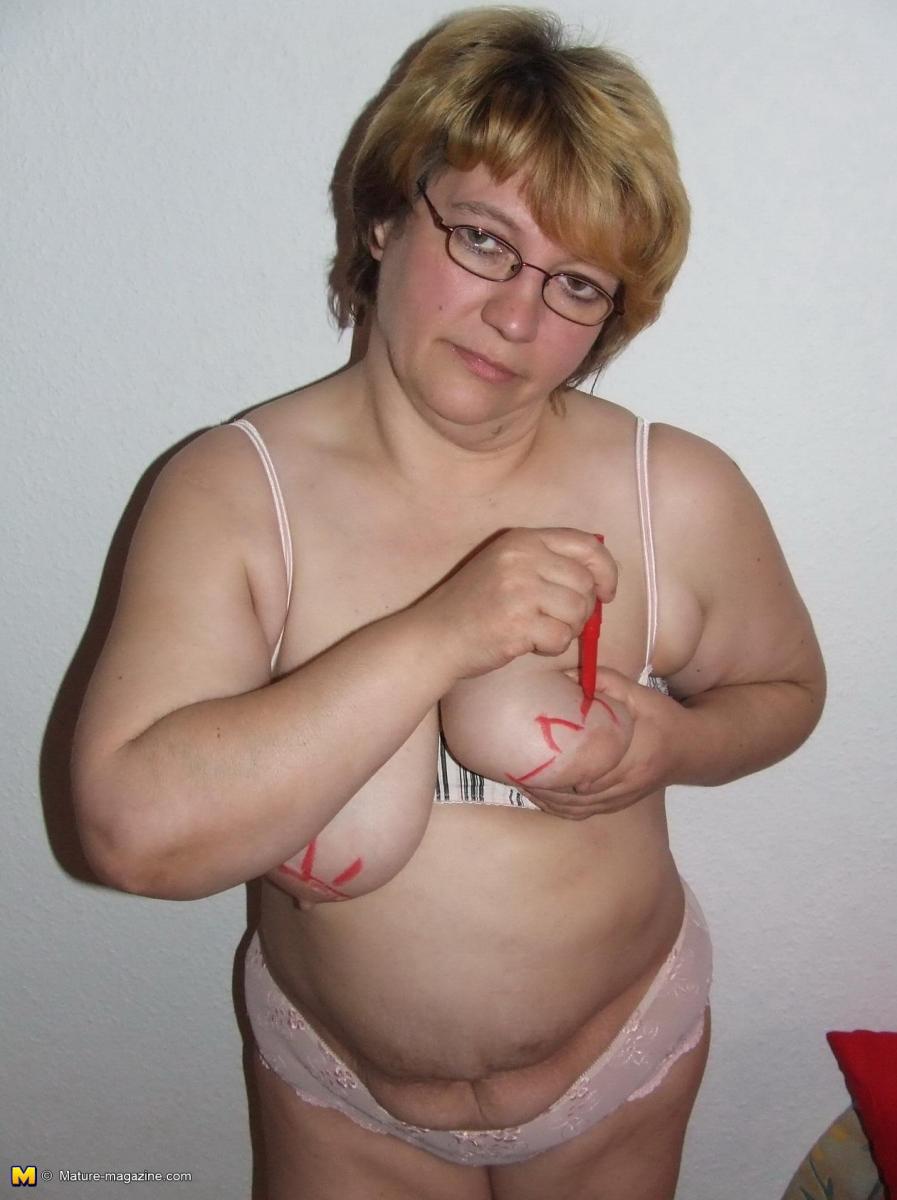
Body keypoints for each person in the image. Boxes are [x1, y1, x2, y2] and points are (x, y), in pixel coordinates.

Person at [71, 8, 825, 1198]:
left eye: (576, 284)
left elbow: (786, 691)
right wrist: (442, 635)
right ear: (384, 215)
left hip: (615, 1072)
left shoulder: (669, 489)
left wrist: (674, 743)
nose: (519, 318)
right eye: (482, 240)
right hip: (339, 1099)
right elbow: (128, 835)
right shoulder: (234, 493)